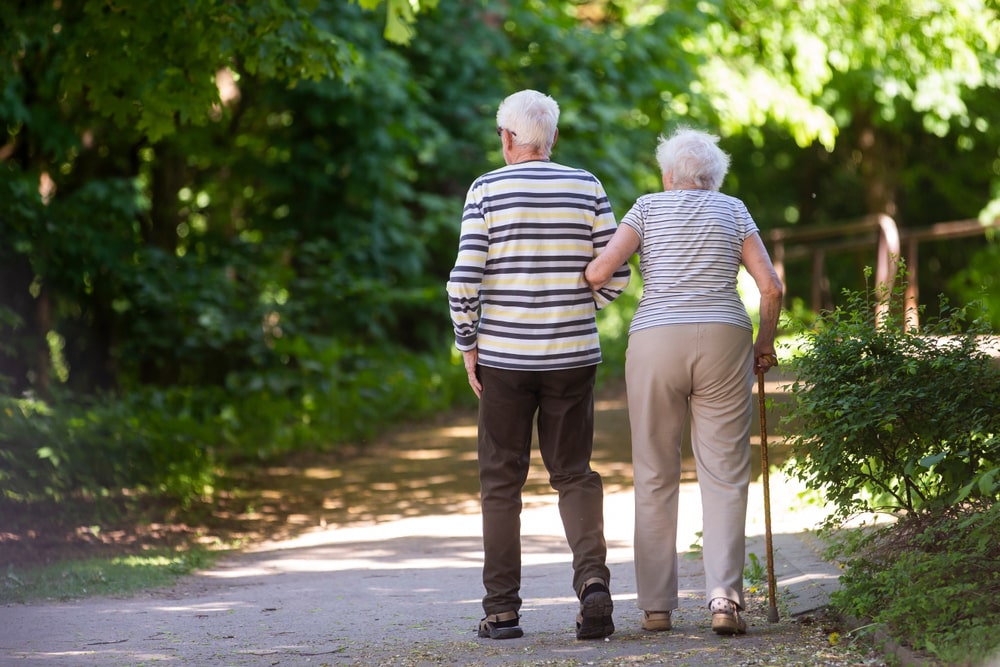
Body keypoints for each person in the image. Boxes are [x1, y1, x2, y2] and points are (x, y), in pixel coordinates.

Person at [446, 89, 632, 641]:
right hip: (572, 356)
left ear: (507, 138)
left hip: (504, 359)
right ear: (550, 138)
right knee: (574, 472)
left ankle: (501, 612)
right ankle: (593, 586)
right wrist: (581, 306)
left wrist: (468, 343)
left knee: (501, 481)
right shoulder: (587, 186)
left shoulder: (486, 189)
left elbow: (463, 280)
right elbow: (615, 271)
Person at [584, 127, 783, 636]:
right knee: (724, 473)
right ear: (713, 180)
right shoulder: (733, 210)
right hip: (724, 338)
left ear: (669, 175)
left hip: (656, 339)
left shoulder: (647, 208)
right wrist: (765, 344)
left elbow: (603, 269)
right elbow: (771, 286)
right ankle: (724, 602)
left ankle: (655, 608)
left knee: (654, 472)